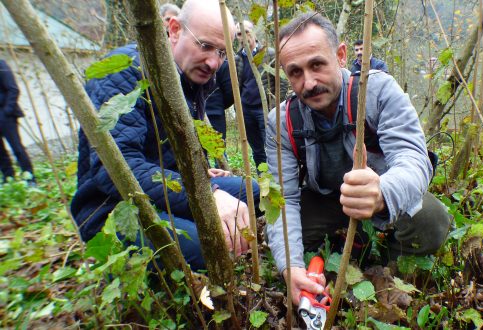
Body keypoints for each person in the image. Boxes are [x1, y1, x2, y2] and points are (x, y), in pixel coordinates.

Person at [265, 13, 451, 305]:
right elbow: (283, 199)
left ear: (340, 55)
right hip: (328, 201)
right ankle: (321, 269)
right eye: (295, 72)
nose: (309, 82)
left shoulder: (377, 91)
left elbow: (414, 159)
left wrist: (381, 194)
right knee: (283, 232)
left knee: (432, 220)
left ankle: (383, 272)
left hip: (383, 197)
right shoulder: (282, 120)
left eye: (317, 65)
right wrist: (290, 268)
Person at [70, 0, 259, 272]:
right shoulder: (123, 73)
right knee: (207, 245)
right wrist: (209, 194)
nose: (214, 62)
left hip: (170, 190)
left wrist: (202, 173)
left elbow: (177, 146)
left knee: (251, 193)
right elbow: (115, 170)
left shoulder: (197, 76)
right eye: (205, 46)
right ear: (173, 30)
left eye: (221, 52)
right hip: (113, 206)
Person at [205, 20, 287, 166]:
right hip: (246, 111)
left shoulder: (269, 54)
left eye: (246, 32)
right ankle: (263, 179)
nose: (243, 36)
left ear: (254, 33)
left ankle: (276, 179)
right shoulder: (236, 59)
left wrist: (274, 105)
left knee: (272, 147)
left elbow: (282, 82)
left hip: (265, 109)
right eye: (239, 34)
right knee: (257, 150)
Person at [0, 59, 35, 183]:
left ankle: (29, 177)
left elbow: (13, 89)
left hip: (5, 114)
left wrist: (6, 111)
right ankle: (8, 177)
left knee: (17, 148)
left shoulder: (1, 65)